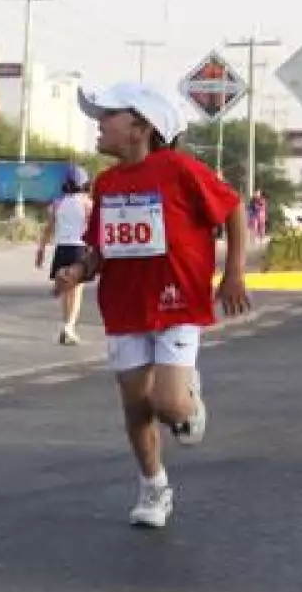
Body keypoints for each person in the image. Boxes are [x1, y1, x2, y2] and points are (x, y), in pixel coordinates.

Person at [52, 82, 251, 530]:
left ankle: (186, 403)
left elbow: (233, 209)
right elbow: (100, 247)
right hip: (125, 307)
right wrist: (78, 272)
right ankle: (153, 485)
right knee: (135, 406)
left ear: (141, 127)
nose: (98, 126)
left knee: (168, 404)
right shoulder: (104, 184)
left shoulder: (180, 169)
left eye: (108, 117)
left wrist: (233, 273)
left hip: (177, 302)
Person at [36, 165, 93, 345]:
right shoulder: (87, 203)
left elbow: (49, 229)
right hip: (79, 248)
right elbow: (92, 228)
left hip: (62, 249)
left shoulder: (57, 203)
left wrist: (41, 250)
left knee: (65, 289)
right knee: (76, 290)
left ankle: (67, 325)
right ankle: (69, 327)